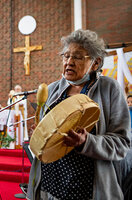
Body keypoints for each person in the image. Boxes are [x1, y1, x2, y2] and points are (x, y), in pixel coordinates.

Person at [27, 29, 131, 200]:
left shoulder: (109, 89)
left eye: (77, 57)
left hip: (88, 188)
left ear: (95, 63)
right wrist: (38, 135)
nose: (69, 62)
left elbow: (122, 144)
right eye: (65, 56)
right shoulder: (53, 90)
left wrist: (86, 142)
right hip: (51, 184)